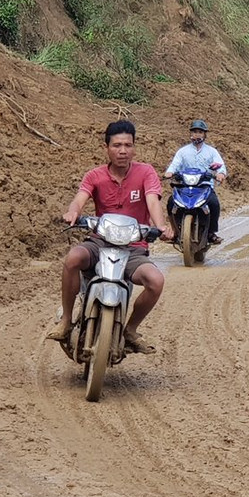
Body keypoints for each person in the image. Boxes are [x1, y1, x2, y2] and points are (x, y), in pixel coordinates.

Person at [47, 120, 174, 354]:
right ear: (107, 148)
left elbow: (153, 201)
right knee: (73, 259)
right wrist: (73, 211)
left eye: (127, 145)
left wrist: (161, 226)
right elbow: (80, 197)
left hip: (133, 249)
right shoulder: (94, 176)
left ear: (134, 148)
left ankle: (131, 330)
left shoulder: (146, 172)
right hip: (99, 243)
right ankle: (66, 320)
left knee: (156, 281)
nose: (122, 150)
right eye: (116, 145)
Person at [163, 120, 228, 244]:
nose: (197, 134)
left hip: (204, 186)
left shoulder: (212, 151)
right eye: (194, 131)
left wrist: (220, 173)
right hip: (184, 186)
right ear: (190, 133)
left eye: (200, 132)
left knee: (214, 203)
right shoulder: (183, 152)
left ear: (204, 134)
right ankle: (176, 231)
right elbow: (175, 164)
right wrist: (170, 172)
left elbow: (220, 166)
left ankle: (211, 233)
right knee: (171, 203)